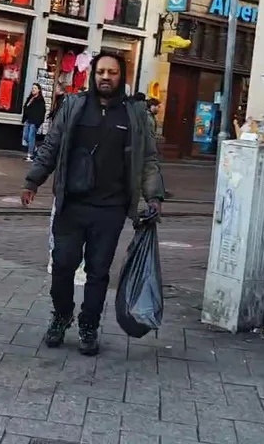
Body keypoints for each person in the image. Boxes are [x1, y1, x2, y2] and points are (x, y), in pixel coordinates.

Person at [21, 53, 165, 356]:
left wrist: (154, 196)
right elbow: (52, 145)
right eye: (101, 72)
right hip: (72, 204)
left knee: (98, 272)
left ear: (121, 76)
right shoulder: (74, 105)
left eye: (112, 72)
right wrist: (33, 181)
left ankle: (89, 324)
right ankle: (62, 315)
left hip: (111, 209)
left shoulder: (135, 114)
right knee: (62, 265)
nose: (106, 77)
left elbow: (148, 160)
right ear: (93, 75)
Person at [21, 84, 46, 162]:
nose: (33, 89)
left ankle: (30, 155)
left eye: (35, 88)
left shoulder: (40, 100)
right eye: (32, 88)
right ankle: (34, 148)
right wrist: (24, 118)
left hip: (34, 122)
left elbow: (42, 112)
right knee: (25, 137)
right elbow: (26, 108)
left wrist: (39, 122)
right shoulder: (30, 98)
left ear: (39, 90)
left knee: (31, 137)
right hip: (28, 120)